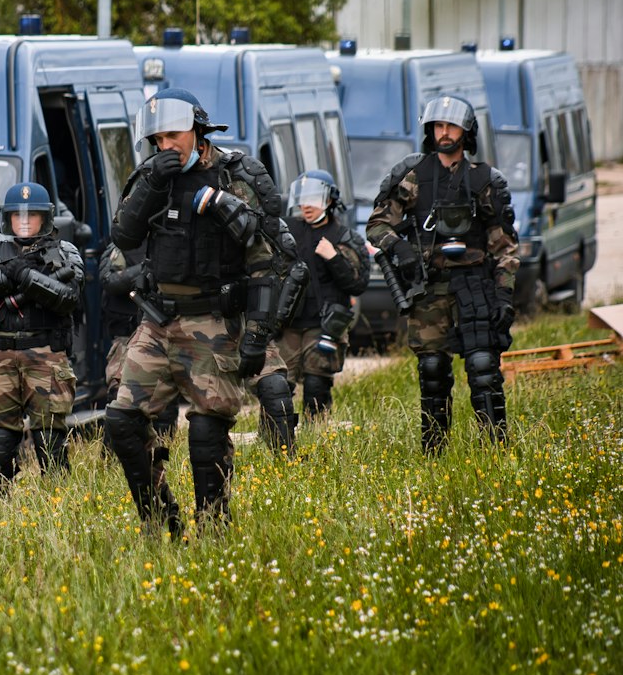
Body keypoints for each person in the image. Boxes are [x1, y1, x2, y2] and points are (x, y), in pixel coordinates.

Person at [103, 87, 278, 535]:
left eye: (173, 135)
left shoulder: (234, 174)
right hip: (158, 320)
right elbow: (123, 236)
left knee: (206, 432)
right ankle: (159, 517)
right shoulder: (150, 178)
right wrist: (154, 182)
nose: (166, 145)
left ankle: (214, 528)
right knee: (121, 422)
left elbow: (268, 259)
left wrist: (257, 334)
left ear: (197, 130)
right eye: (157, 138)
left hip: (214, 322)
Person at [366, 94, 519, 453]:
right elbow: (376, 225)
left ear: (466, 132)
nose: (444, 132)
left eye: (450, 126)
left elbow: (505, 246)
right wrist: (399, 249)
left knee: (484, 371)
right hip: (429, 289)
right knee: (432, 372)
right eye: (438, 126)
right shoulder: (412, 175)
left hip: (475, 285)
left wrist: (504, 295)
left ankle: (496, 450)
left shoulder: (485, 179)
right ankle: (434, 453)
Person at [0, 182, 84, 494]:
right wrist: (6, 275)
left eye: (32, 216)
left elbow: (69, 296)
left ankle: (60, 511)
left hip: (46, 354)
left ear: (45, 219)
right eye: (18, 216)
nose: (24, 222)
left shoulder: (63, 252)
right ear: (8, 220)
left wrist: (28, 277)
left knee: (49, 439)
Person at [270, 169, 370, 435]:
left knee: (316, 385)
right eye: (303, 198)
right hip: (289, 323)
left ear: (329, 200)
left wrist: (334, 257)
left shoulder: (344, 237)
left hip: (324, 324)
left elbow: (357, 284)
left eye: (314, 198)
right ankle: (278, 443)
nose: (307, 205)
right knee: (277, 386)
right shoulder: (287, 230)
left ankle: (316, 438)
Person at [99, 240, 180, 507]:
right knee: (120, 403)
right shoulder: (122, 246)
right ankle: (110, 465)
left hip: (164, 333)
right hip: (127, 337)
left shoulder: (171, 239)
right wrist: (145, 270)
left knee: (166, 408)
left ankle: (165, 460)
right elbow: (110, 279)